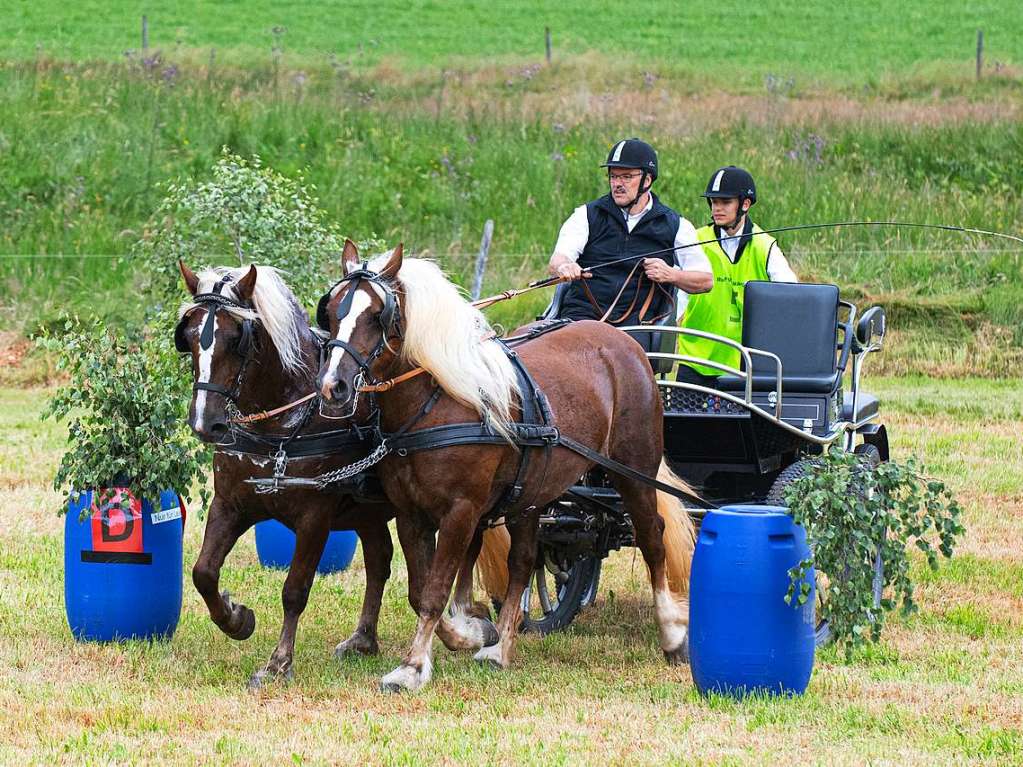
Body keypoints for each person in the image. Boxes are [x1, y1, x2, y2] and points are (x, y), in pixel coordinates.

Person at [546, 138, 713, 351]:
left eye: (626, 177)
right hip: (581, 317)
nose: (617, 183)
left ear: (647, 180)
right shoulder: (586, 215)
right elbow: (558, 258)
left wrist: (671, 275)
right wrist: (565, 266)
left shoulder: (676, 225)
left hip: (637, 328)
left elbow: (705, 280)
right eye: (613, 176)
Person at [676, 166, 798, 386]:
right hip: (694, 360)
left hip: (743, 363)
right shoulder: (696, 240)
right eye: (714, 202)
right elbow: (679, 297)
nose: (717, 209)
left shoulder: (764, 246)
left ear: (745, 204)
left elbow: (791, 296)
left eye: (725, 202)